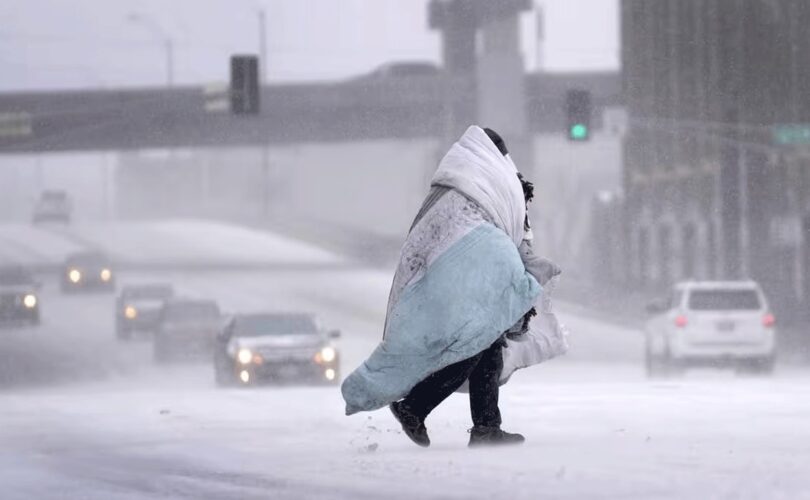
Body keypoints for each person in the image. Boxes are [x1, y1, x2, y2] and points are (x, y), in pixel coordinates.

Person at [341, 125, 561, 448]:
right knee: (473, 345)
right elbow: (505, 235)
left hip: (448, 278)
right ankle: (415, 406)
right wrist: (523, 270)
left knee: (487, 345)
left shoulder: (452, 187)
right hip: (465, 280)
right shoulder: (494, 184)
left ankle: (486, 426)